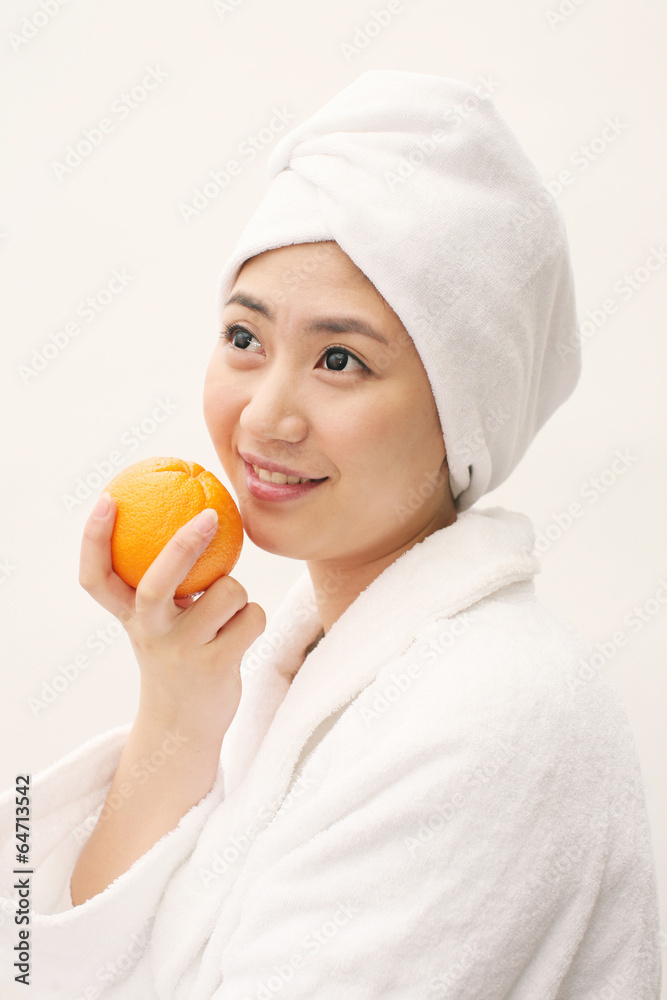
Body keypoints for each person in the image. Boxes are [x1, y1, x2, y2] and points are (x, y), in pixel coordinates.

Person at [0, 70, 661, 999]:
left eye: (340, 359)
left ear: (462, 413)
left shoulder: (490, 711)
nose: (264, 417)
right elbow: (47, 965)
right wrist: (175, 713)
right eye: (244, 338)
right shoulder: (304, 670)